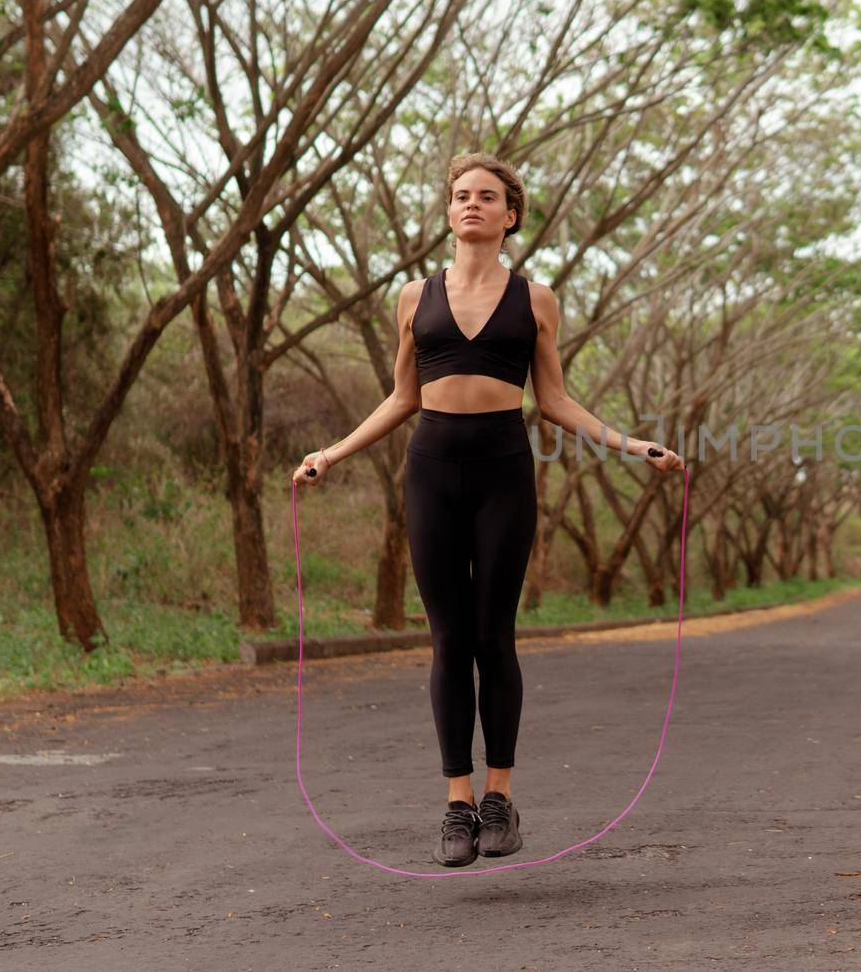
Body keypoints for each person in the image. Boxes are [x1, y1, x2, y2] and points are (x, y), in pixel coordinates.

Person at [291, 153, 684, 868]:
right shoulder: (414, 296)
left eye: (488, 197)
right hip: (432, 469)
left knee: (492, 635)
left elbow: (555, 401)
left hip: (505, 468)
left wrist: (633, 444)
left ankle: (500, 799)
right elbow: (402, 396)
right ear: (448, 213)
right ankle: (456, 804)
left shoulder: (537, 299)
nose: (472, 204)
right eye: (461, 195)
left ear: (511, 216)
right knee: (448, 639)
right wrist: (332, 452)